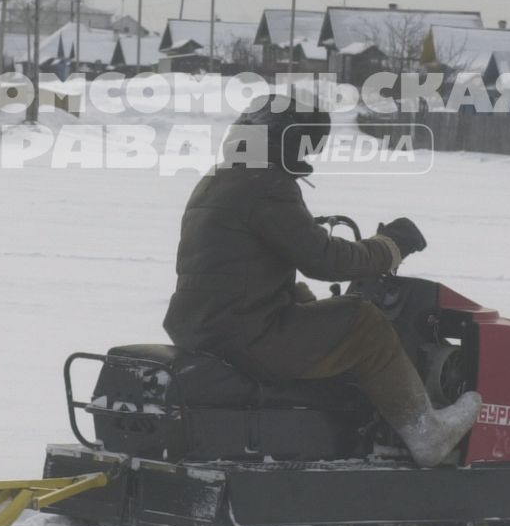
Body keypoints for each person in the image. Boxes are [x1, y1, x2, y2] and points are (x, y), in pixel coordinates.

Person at [162, 98, 483, 466]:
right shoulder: (266, 184)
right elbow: (326, 259)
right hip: (246, 337)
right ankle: (426, 433)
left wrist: (305, 303)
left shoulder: (219, 180)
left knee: (317, 308)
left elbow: (247, 270)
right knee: (365, 322)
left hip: (204, 328)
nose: (307, 155)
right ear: (283, 141)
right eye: (305, 144)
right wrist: (390, 247)